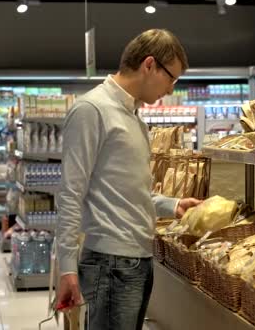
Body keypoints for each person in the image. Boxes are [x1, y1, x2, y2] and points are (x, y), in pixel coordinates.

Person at [56, 29, 202, 330]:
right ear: (149, 65)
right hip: (111, 263)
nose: (172, 89)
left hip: (136, 260)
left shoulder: (134, 117)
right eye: (171, 78)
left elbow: (128, 191)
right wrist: (67, 267)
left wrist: (171, 205)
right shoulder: (91, 110)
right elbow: (71, 193)